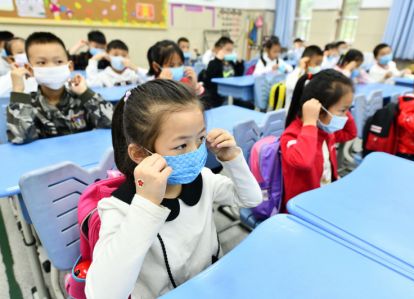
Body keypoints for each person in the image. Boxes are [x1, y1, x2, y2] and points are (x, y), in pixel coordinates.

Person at [84, 80, 262, 298]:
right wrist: (147, 205)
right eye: (181, 146)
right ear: (140, 154)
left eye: (200, 139)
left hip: (211, 285)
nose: (195, 151)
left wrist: (233, 159)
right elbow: (102, 293)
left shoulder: (203, 179)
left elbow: (251, 199)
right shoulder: (118, 208)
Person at [6, 32, 113, 144]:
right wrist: (18, 91)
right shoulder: (28, 105)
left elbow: (111, 122)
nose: (51, 67)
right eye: (42, 62)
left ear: (70, 66)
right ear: (30, 69)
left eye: (59, 61)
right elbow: (21, 138)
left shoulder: (81, 98)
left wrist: (85, 92)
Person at [281, 69, 357, 211]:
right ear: (318, 109)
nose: (345, 117)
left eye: (348, 109)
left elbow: (350, 133)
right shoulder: (291, 136)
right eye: (342, 110)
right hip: (302, 208)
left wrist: (345, 109)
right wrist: (309, 122)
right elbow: (303, 162)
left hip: (323, 197)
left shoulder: (326, 131)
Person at [203, 36, 244, 108]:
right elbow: (209, 81)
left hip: (232, 94)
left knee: (247, 104)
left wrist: (239, 63)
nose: (230, 53)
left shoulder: (231, 63)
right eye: (228, 50)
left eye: (231, 50)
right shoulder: (213, 63)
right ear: (218, 50)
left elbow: (238, 76)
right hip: (218, 97)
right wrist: (218, 60)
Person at [286, 45, 323, 110]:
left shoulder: (316, 76)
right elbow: (293, 85)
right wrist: (301, 68)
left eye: (320, 63)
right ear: (306, 61)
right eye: (316, 63)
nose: (318, 66)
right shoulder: (294, 75)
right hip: (293, 113)